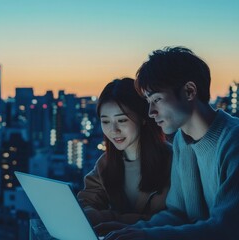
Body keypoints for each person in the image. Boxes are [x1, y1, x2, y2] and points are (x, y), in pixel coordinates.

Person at [96, 47, 239, 240]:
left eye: (157, 99)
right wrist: (132, 230)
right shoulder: (181, 141)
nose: (151, 112)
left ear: (189, 91)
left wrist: (147, 236)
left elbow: (225, 230)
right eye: (148, 101)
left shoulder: (233, 141)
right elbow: (178, 214)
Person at [77, 78, 172, 227]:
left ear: (143, 118)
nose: (113, 130)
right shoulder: (105, 163)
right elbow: (87, 199)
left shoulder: (172, 160)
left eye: (121, 120)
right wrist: (88, 212)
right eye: (106, 122)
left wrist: (109, 217)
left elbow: (173, 219)